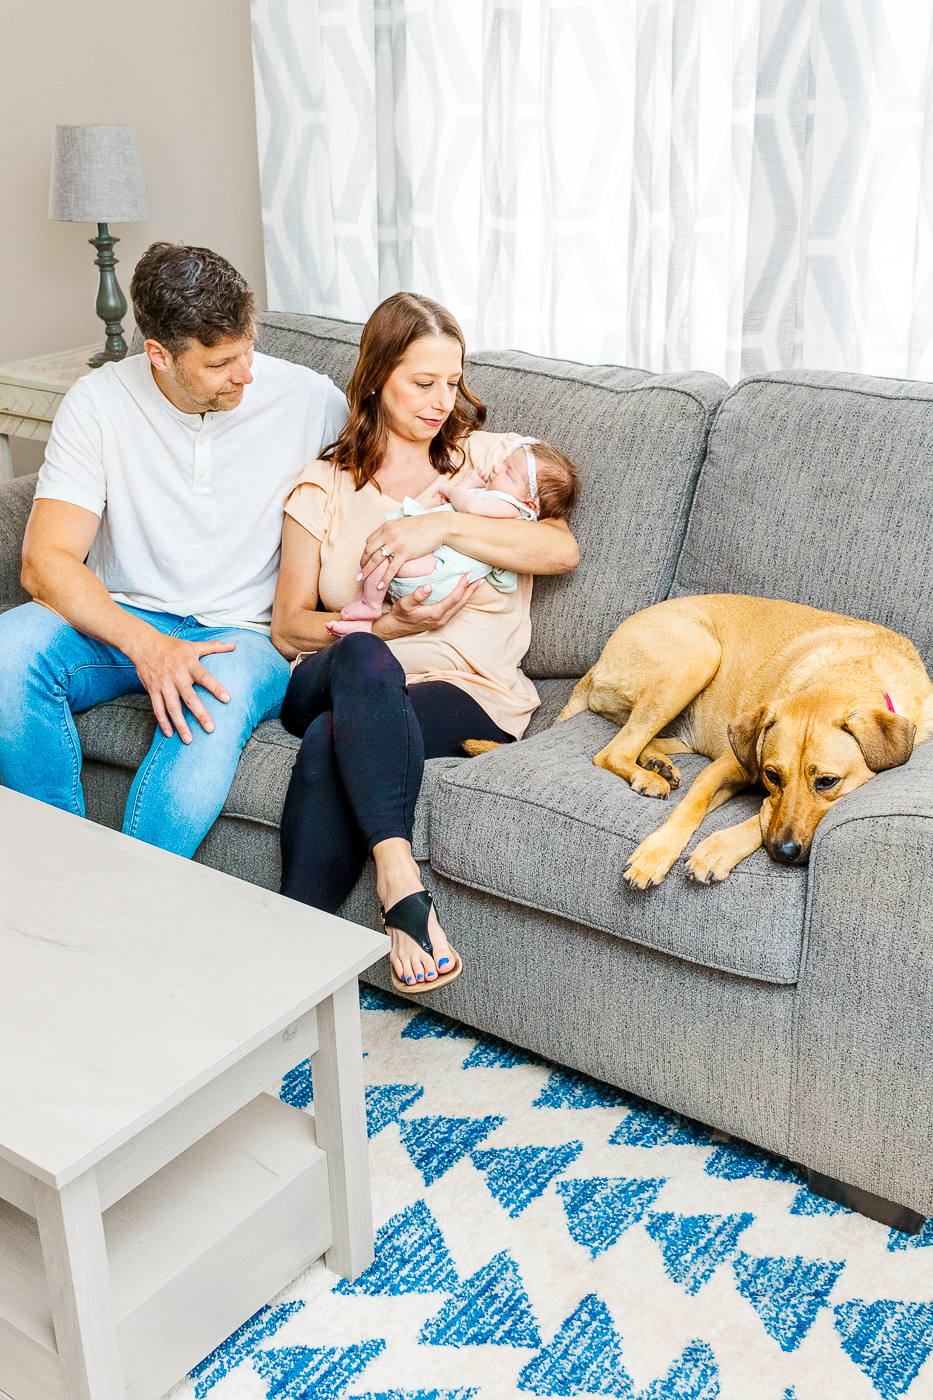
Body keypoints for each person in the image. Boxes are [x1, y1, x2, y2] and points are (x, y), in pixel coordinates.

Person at [271, 291, 580, 994]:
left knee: (331, 738)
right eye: (423, 381)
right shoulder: (322, 485)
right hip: (344, 668)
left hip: (466, 695)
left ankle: (288, 975)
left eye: (453, 379)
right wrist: (388, 627)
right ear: (377, 376)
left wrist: (437, 528)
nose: (443, 400)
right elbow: (288, 623)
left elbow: (558, 550)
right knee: (360, 655)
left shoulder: (493, 462)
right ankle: (400, 877)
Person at [0, 242, 347, 856]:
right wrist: (148, 646)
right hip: (126, 619)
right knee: (9, 651)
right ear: (158, 355)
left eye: (248, 350)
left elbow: (384, 494)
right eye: (220, 364)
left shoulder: (312, 401)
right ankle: (60, 875)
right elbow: (44, 562)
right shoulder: (99, 402)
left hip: (244, 633)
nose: (244, 373)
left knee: (204, 713)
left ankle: (134, 914)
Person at [327, 435, 579, 634]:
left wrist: (452, 489)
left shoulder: (512, 508)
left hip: (440, 570)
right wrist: (468, 483)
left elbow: (470, 507)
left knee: (389, 556)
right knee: (385, 553)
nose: (496, 467)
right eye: (504, 462)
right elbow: (460, 502)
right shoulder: (497, 496)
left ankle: (370, 606)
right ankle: (368, 611)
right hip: (433, 564)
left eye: (508, 472)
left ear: (531, 504)